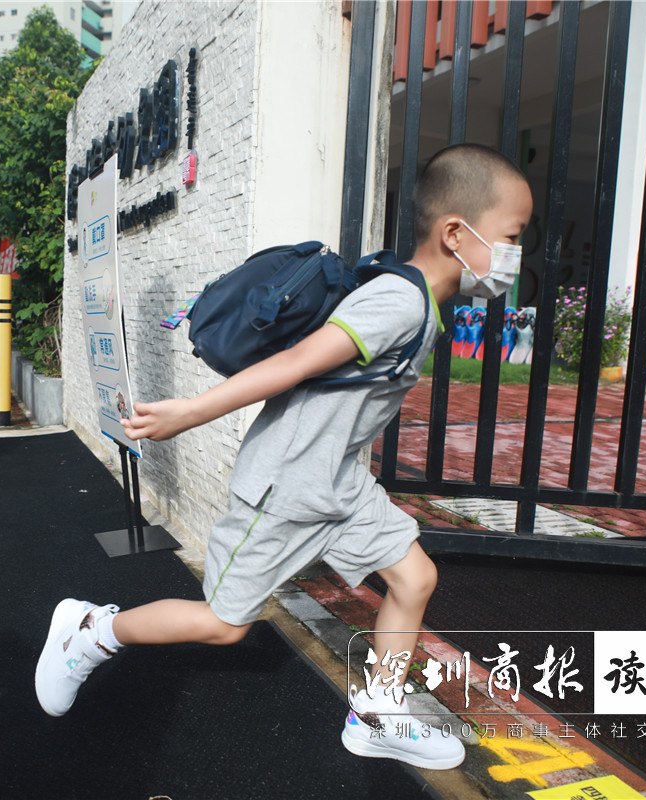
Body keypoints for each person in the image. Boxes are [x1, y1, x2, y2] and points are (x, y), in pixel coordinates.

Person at [35, 143, 534, 770]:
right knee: (224, 624)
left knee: (415, 578)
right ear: (456, 233)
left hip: (337, 481)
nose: (515, 255)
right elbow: (296, 362)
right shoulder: (398, 302)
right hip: (287, 485)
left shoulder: (417, 301)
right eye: (512, 237)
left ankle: (377, 715)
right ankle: (91, 633)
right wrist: (191, 413)